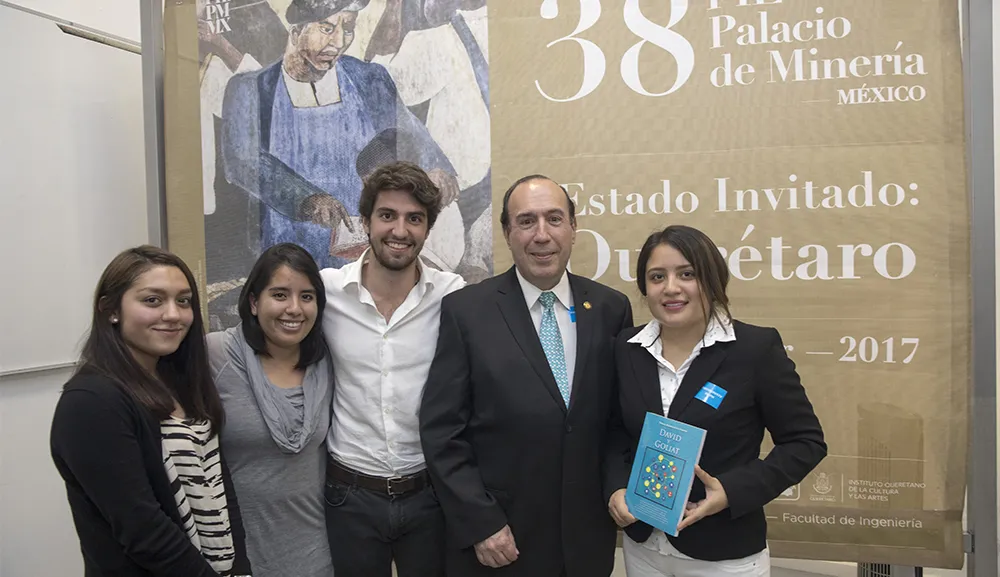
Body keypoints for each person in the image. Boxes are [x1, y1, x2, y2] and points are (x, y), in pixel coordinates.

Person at [419, 175, 634, 577]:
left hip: (586, 538)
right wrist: (480, 522)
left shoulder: (610, 308)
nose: (541, 235)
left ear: (573, 226)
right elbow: (441, 431)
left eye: (554, 219)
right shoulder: (467, 312)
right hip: (501, 539)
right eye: (526, 221)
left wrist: (618, 485)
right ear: (507, 232)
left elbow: (617, 423)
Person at [608, 225, 827, 576]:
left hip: (724, 554)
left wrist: (730, 491)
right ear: (644, 288)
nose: (671, 288)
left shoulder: (755, 349)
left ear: (712, 280)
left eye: (687, 274)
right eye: (657, 276)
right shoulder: (627, 348)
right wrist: (616, 487)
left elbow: (805, 443)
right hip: (644, 549)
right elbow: (615, 433)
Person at [49, 246, 251, 577]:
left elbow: (221, 489)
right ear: (110, 310)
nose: (173, 314)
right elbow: (144, 532)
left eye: (183, 301)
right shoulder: (90, 402)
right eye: (152, 300)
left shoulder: (182, 383)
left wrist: (240, 568)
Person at [219, 0, 459, 270]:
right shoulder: (250, 89)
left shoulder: (369, 78)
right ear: (296, 32)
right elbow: (243, 161)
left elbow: (407, 131)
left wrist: (434, 167)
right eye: (326, 28)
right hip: (288, 246)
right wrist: (308, 200)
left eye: (348, 28)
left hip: (362, 246)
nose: (338, 42)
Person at [320, 161, 466, 577]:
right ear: (366, 221)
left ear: (427, 228)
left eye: (414, 219)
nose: (400, 231)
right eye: (387, 215)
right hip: (349, 495)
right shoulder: (327, 292)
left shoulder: (453, 297)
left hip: (430, 495)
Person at [206, 243, 334, 576]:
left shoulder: (327, 363)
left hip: (318, 556)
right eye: (279, 295)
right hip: (238, 558)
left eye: (307, 297)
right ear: (253, 302)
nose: (294, 309)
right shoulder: (216, 354)